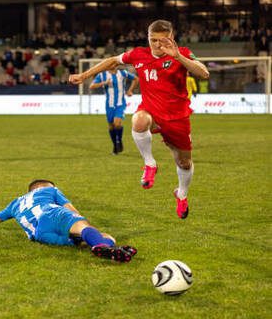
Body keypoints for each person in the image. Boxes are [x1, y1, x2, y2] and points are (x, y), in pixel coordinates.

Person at [69, 20, 209, 219]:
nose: (158, 45)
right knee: (138, 120)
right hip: (151, 111)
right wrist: (84, 75)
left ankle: (182, 194)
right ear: (148, 39)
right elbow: (112, 61)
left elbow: (203, 73)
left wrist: (178, 56)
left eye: (163, 40)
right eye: (153, 40)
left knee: (184, 162)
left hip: (177, 117)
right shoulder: (138, 54)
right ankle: (150, 163)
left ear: (172, 38)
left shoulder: (183, 53)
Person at [0, 180, 137, 263]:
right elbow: (71, 209)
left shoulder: (15, 203)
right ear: (43, 185)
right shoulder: (50, 189)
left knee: (84, 241)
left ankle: (104, 247)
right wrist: (81, 222)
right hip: (50, 213)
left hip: (40, 235)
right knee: (86, 230)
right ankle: (104, 246)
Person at [89, 67, 138, 154]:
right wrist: (104, 83)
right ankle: (115, 146)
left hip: (120, 104)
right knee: (111, 126)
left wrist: (130, 90)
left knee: (117, 123)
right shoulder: (102, 75)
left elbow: (135, 78)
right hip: (109, 105)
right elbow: (92, 86)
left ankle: (119, 141)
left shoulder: (123, 73)